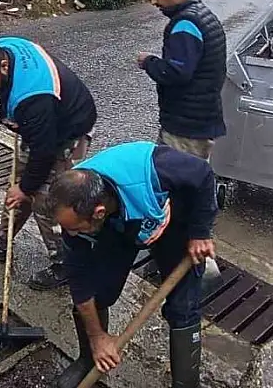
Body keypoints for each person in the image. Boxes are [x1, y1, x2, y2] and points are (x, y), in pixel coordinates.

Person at [49, 141, 218, 388]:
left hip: (173, 221)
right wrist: (98, 338)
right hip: (122, 227)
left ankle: (186, 384)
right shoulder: (72, 212)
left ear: (97, 212)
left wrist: (200, 232)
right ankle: (88, 360)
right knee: (97, 292)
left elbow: (203, 175)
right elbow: (79, 279)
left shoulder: (156, 168)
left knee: (183, 306)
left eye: (74, 229)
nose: (69, 234)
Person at [0, 37, 97, 290]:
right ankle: (1, 241)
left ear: (3, 66)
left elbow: (44, 152)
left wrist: (26, 188)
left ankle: (64, 262)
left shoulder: (34, 98)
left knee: (48, 200)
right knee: (18, 188)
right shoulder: (5, 46)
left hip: (68, 128)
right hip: (42, 125)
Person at [137, 0, 227, 160]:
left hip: (186, 127)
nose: (153, 2)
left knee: (175, 180)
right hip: (200, 121)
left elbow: (177, 73)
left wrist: (148, 61)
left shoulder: (185, 24)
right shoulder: (202, 14)